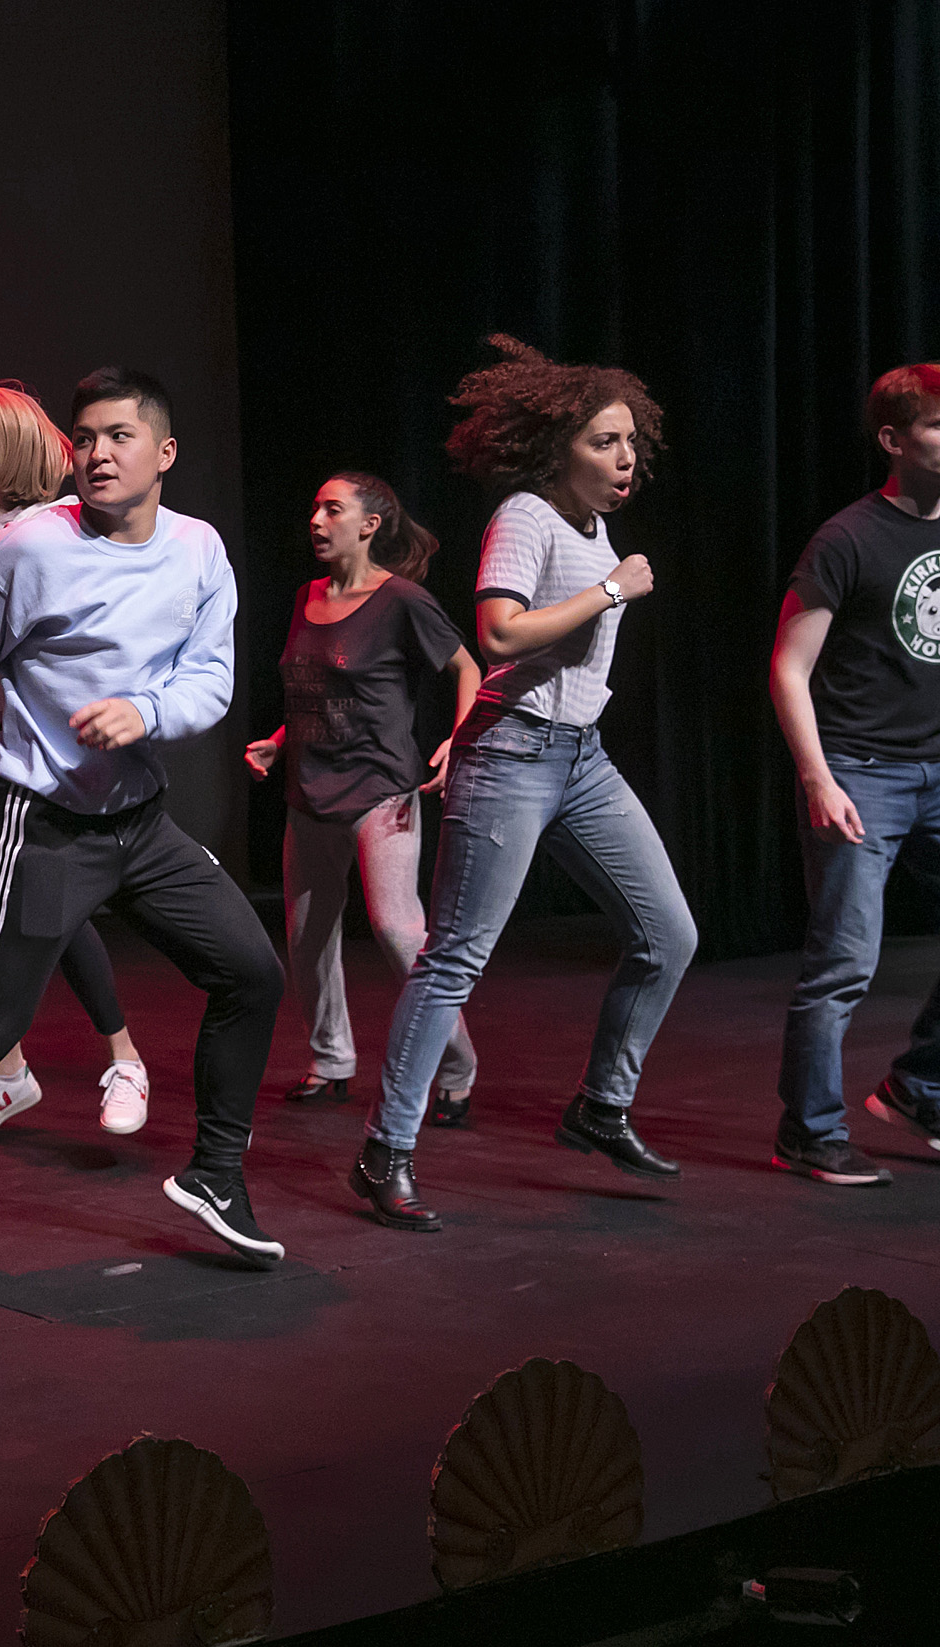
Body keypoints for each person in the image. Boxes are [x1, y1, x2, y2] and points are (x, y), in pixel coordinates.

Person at [0, 368, 286, 1297]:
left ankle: (215, 1173)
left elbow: (212, 681)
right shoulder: (30, 550)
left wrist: (145, 711)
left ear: (164, 453)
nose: (97, 453)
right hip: (42, 822)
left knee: (252, 971)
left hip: (141, 821)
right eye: (86, 438)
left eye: (120, 437)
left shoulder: (200, 550)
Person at [363, 336, 699, 1228]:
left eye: (631, 442)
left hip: (580, 757)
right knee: (454, 961)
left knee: (669, 932)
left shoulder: (593, 529)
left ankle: (601, 1105)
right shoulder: (526, 515)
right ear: (558, 451)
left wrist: (608, 579)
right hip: (509, 751)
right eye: (604, 442)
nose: (625, 459)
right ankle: (385, 1150)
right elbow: (501, 634)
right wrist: (613, 592)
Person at [767, 363, 940, 1184]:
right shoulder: (847, 539)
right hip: (859, 768)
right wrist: (818, 777)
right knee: (844, 960)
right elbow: (787, 667)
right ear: (893, 439)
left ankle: (922, 1083)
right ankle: (808, 1130)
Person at [245, 473, 483, 1225]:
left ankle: (457, 1065)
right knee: (307, 937)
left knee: (396, 928)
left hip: (382, 790)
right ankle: (331, 1060)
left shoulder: (403, 601)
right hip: (308, 792)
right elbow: (314, 691)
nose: (317, 519)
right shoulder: (308, 597)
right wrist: (279, 742)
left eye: (333, 508)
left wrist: (460, 739)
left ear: (372, 523)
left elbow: (468, 667)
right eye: (314, 506)